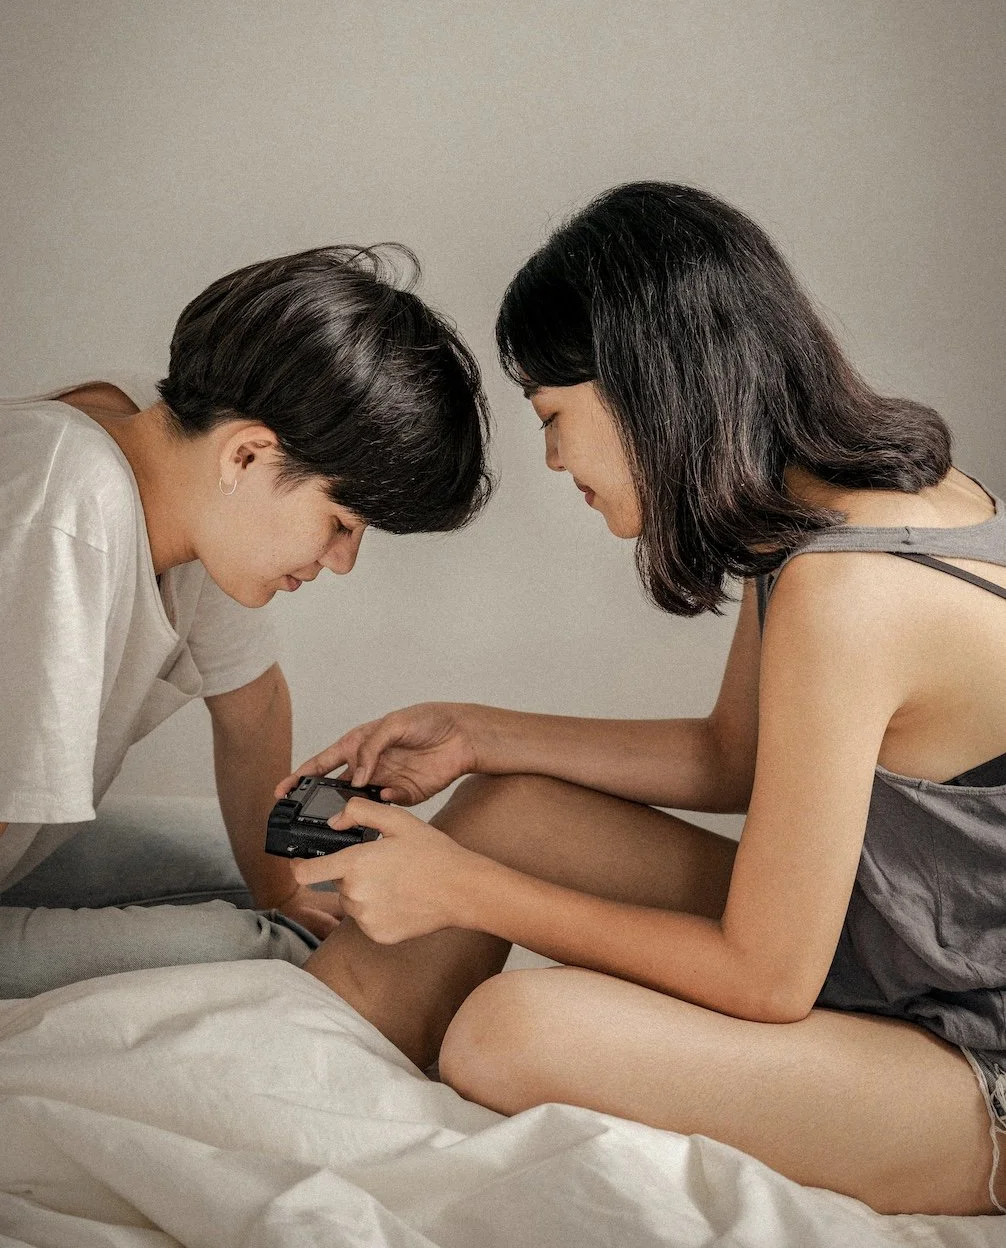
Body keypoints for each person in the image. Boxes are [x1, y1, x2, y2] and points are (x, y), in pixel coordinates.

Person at [288, 184, 1006, 1217]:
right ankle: (306, 1071)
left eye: (553, 417)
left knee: (508, 1031)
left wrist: (463, 892)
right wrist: (479, 736)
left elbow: (765, 980)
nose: (552, 460)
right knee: (511, 811)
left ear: (643, 385)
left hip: (974, 1067)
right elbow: (733, 756)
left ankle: (297, 1087)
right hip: (897, 951)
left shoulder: (851, 589)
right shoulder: (841, 509)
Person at [0, 243, 491, 998]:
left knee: (317, 884)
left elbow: (252, 705)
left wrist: (283, 892)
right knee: (273, 951)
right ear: (249, 456)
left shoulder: (177, 460)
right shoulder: (69, 508)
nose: (341, 563)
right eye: (340, 523)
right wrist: (276, 927)